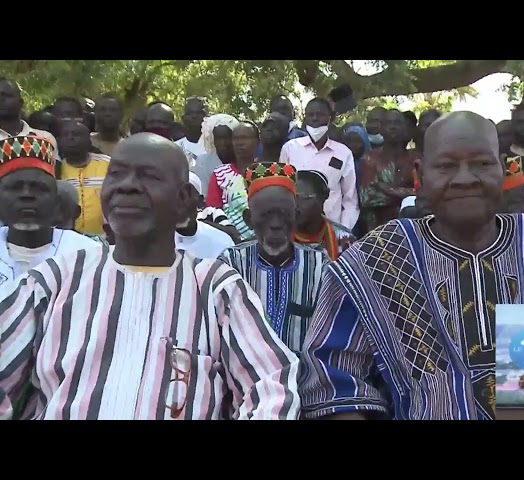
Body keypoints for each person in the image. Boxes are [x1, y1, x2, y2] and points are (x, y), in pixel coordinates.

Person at [299, 111, 524, 421]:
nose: (464, 178)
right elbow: (332, 381)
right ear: (420, 174)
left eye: (481, 164)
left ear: (502, 169)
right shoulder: (371, 261)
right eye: (447, 166)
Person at [0, 133, 300, 420]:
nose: (127, 186)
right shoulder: (54, 280)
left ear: (184, 200)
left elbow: (272, 387)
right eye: (116, 175)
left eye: (149, 177)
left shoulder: (215, 287)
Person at [219, 162, 327, 356]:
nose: (276, 225)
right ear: (249, 219)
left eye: (284, 215)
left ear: (296, 216)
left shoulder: (320, 268)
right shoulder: (230, 264)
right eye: (266, 216)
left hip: (302, 381)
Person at [0, 136, 98, 291]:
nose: (27, 195)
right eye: (15, 188)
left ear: (57, 204)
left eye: (39, 188)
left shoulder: (90, 255)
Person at [280, 97, 359, 230]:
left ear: (330, 118)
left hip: (331, 231)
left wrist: (343, 230)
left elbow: (350, 198)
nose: (315, 119)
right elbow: (283, 190)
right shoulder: (290, 148)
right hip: (297, 229)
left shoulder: (343, 153)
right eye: (310, 115)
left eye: (320, 114)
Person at [359, 109, 418, 233]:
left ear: (405, 128)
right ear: (382, 129)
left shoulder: (415, 159)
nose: (393, 127)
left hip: (412, 228)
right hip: (378, 229)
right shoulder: (371, 158)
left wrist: (386, 188)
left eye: (397, 123)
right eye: (388, 123)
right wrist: (406, 195)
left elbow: (422, 194)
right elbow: (368, 198)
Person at [57, 119, 111, 236]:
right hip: (69, 239)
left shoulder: (108, 164)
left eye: (76, 134)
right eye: (65, 135)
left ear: (89, 140)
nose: (70, 138)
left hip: (105, 237)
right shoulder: (56, 169)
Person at [294, 170, 355, 259]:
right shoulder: (278, 237)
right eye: (292, 197)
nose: (295, 205)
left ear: (323, 197)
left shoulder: (344, 239)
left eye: (303, 197)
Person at [174, 172, 235, 258]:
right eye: (174, 194)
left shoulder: (221, 242)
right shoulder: (153, 242)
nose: (180, 201)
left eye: (187, 194)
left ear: (200, 201)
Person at [0, 78, 59, 159]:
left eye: (7, 95)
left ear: (21, 102)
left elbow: (54, 170)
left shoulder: (45, 138)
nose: (1, 99)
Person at [55, 180, 109, 246]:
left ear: (76, 212)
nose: (56, 213)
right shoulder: (93, 245)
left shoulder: (93, 246)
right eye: (51, 206)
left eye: (63, 207)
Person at [175, 96, 208, 162]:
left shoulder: (215, 147)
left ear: (206, 117)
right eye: (190, 113)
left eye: (199, 113)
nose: (194, 116)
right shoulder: (175, 148)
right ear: (183, 118)